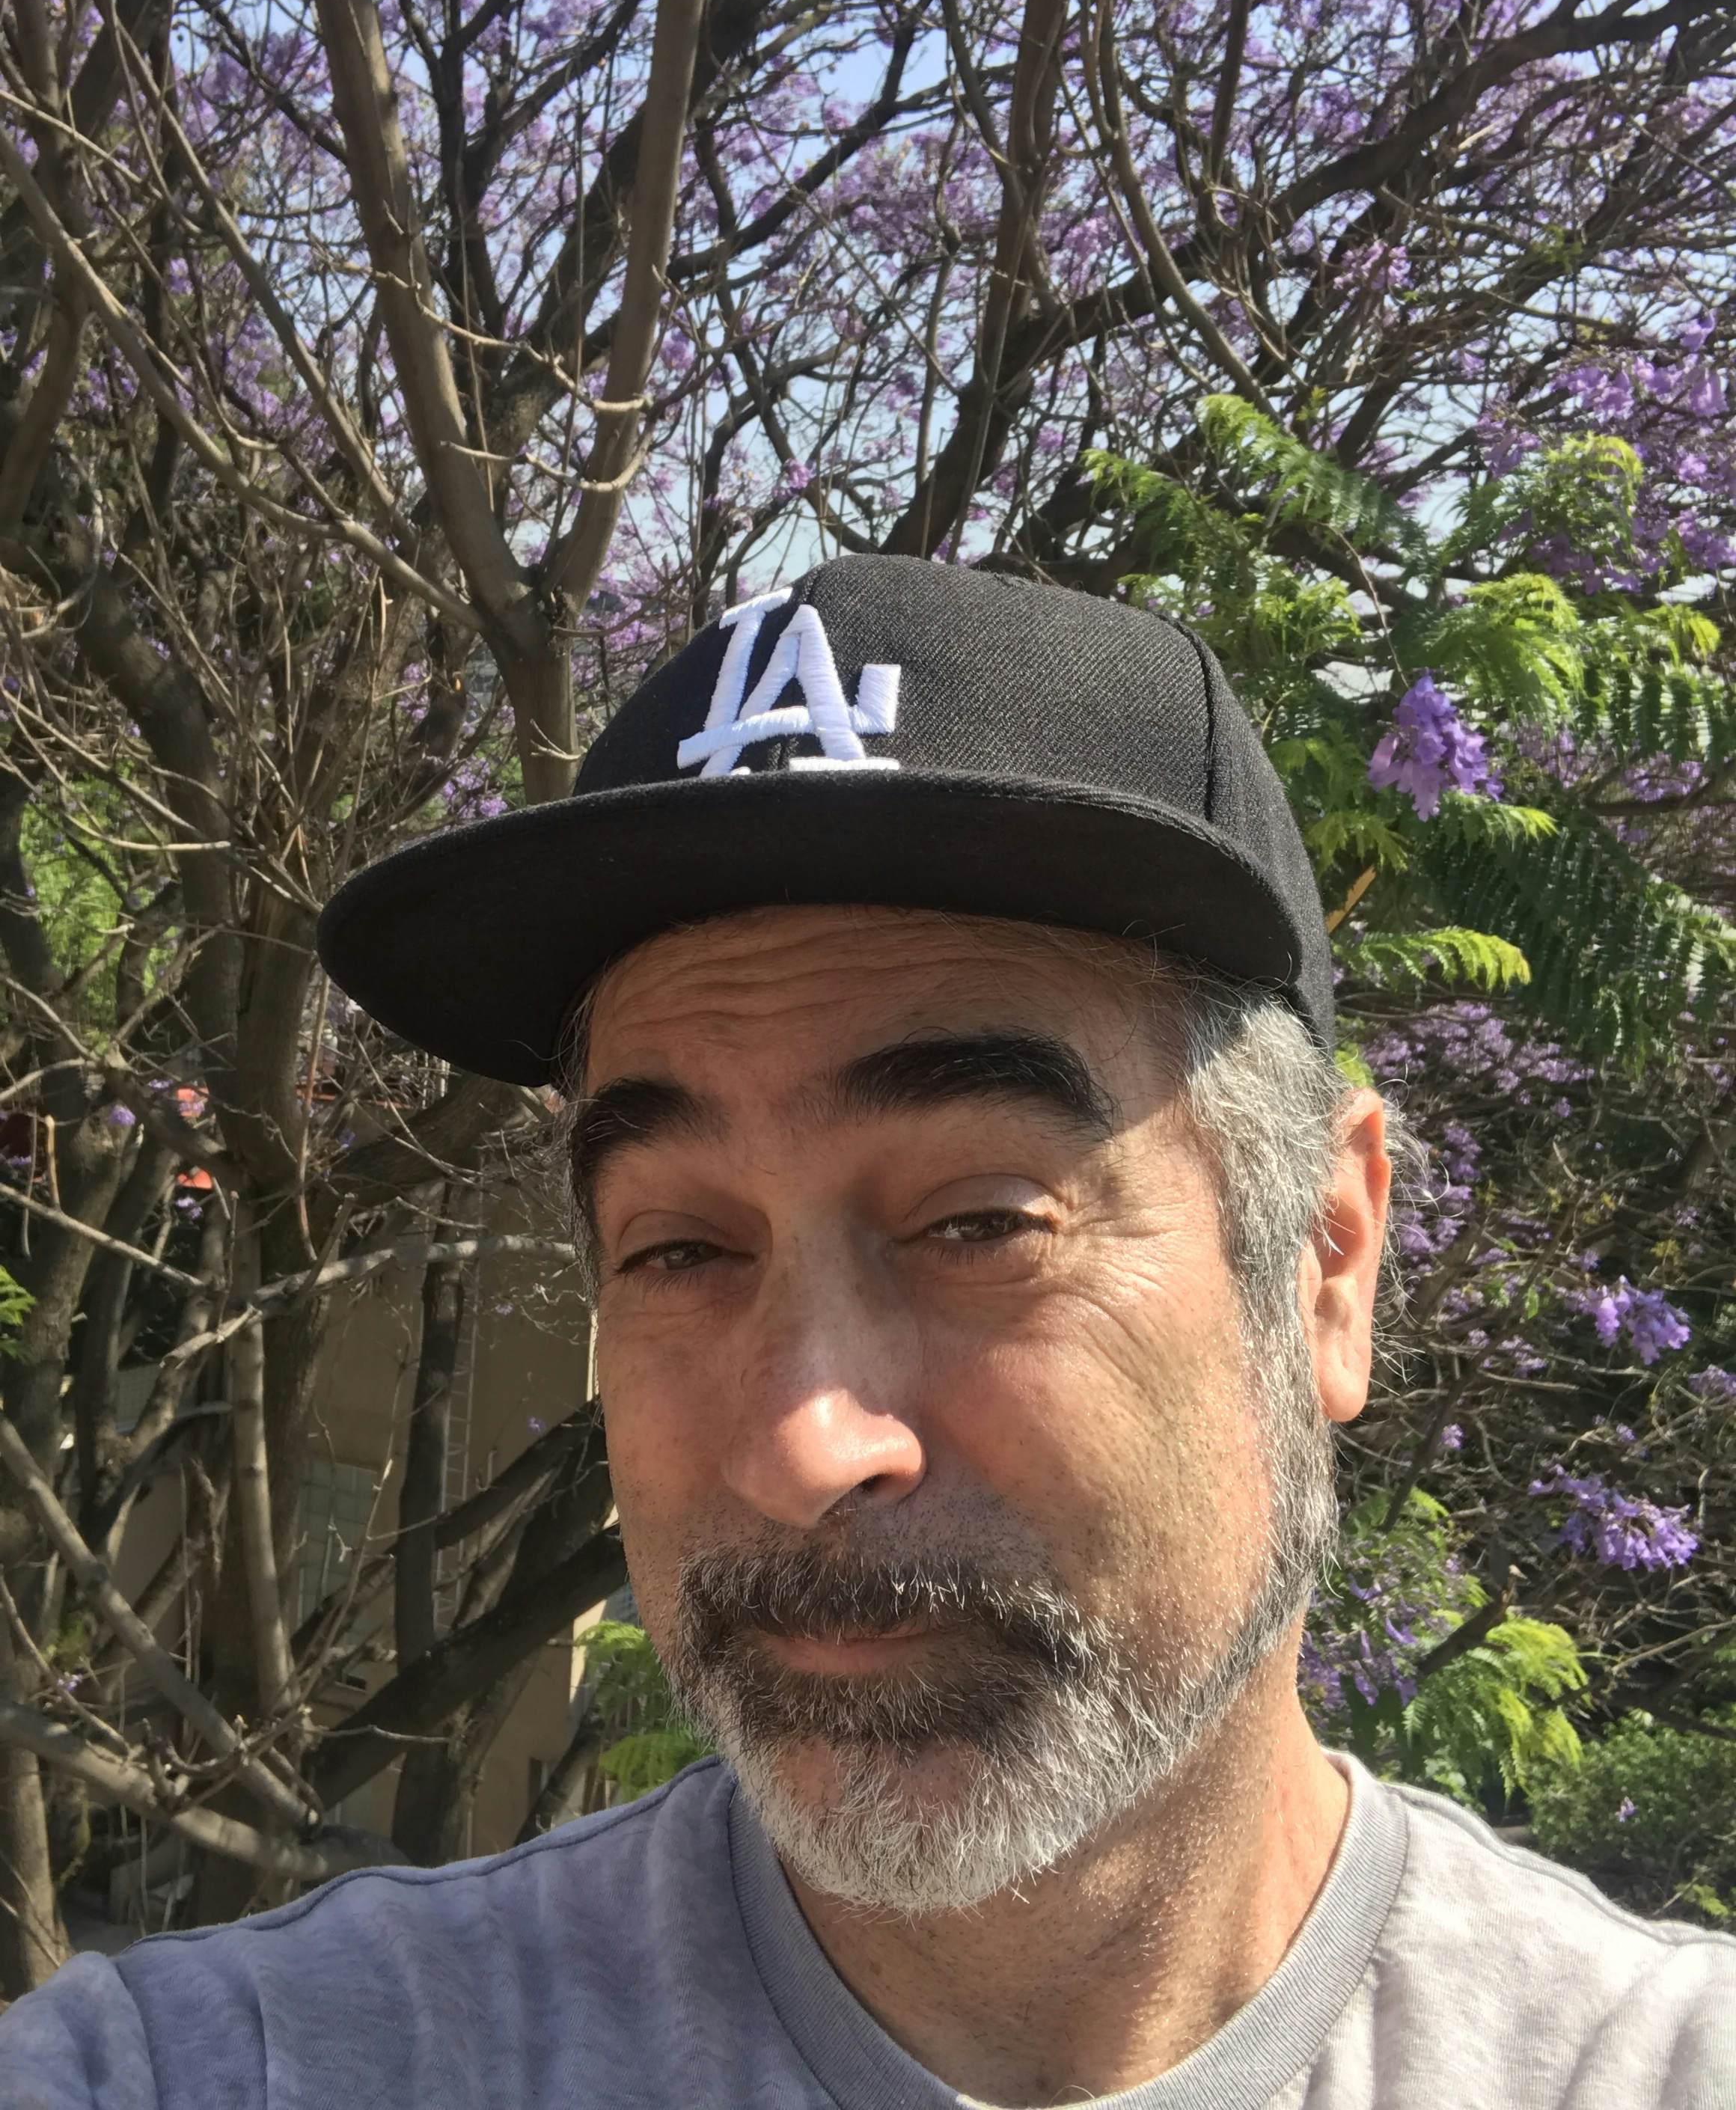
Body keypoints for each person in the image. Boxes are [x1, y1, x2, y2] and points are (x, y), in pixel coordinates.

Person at [2, 557, 1729, 2109]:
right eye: (678, 1245)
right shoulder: (210, 2067)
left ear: (1327, 1263)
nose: (801, 1440)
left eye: (979, 1221)